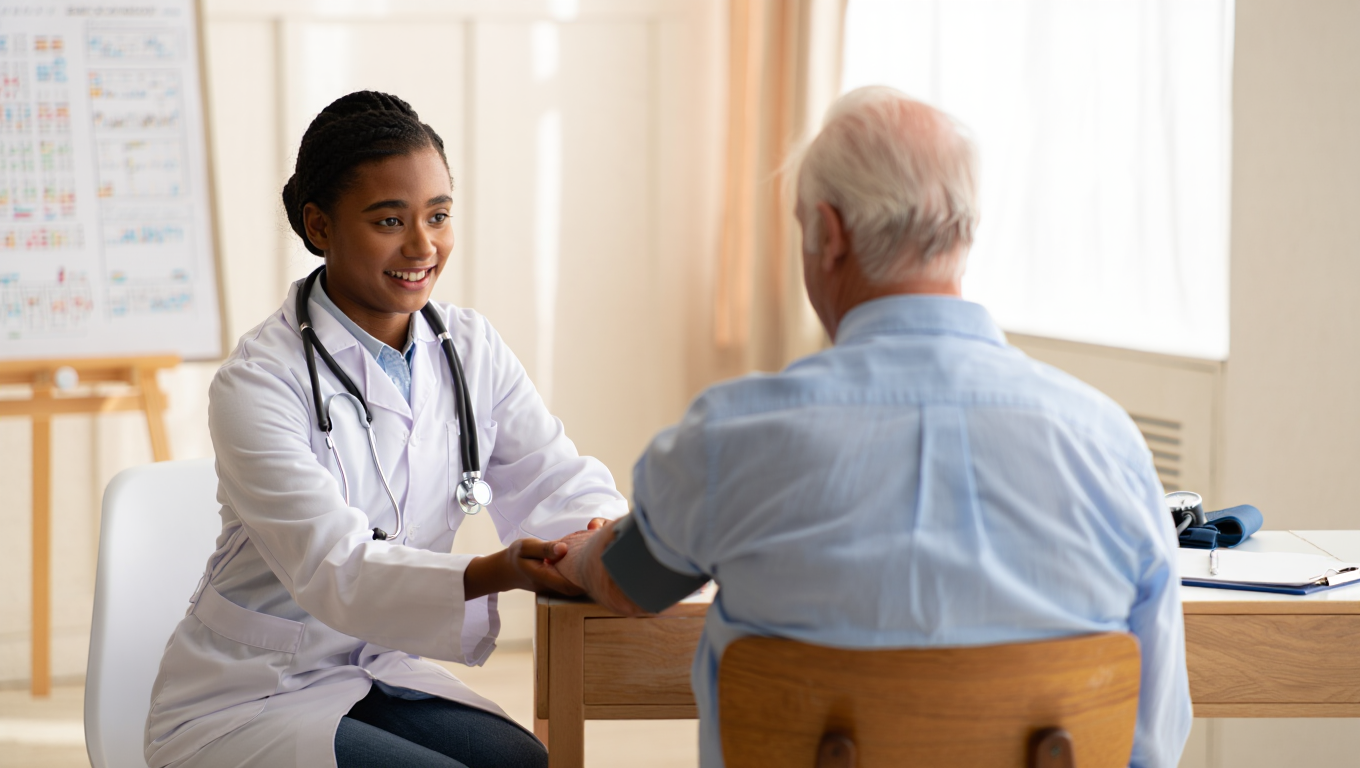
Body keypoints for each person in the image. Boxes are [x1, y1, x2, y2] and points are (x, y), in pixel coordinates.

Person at [555, 85, 1192, 768]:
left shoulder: (732, 435)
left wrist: (582, 556)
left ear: (828, 235)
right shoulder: (1107, 442)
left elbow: (635, 581)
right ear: (965, 231)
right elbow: (1155, 734)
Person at [144, 91, 624, 768]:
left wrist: (599, 536)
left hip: (373, 665)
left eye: (438, 215)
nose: (422, 245)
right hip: (248, 690)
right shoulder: (256, 383)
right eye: (390, 220)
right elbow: (331, 564)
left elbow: (553, 477)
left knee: (522, 762)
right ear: (320, 225)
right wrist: (498, 570)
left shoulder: (470, 348)